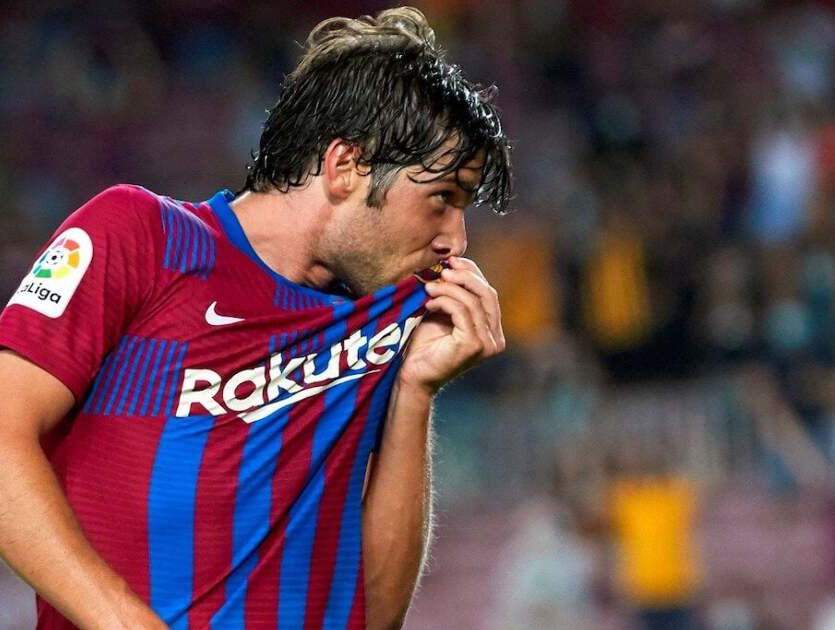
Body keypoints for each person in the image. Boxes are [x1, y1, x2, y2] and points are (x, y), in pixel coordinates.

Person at [0, 7, 511, 630]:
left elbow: (374, 615)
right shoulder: (142, 238)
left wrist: (414, 391)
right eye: (441, 198)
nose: (456, 240)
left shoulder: (378, 323)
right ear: (345, 167)